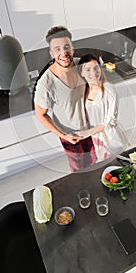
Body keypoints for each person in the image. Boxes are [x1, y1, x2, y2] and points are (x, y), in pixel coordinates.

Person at [34, 26, 96, 172]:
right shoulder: (46, 83)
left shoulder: (82, 65)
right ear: (51, 53)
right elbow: (40, 114)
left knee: (95, 163)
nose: (63, 53)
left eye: (67, 47)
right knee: (79, 171)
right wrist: (63, 135)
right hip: (70, 135)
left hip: (90, 128)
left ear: (73, 47)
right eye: (57, 49)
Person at [76, 54, 127, 161]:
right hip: (96, 141)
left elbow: (109, 121)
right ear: (82, 73)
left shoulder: (108, 89)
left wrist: (86, 133)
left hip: (112, 140)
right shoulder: (84, 91)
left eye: (96, 68)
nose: (93, 73)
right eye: (88, 69)